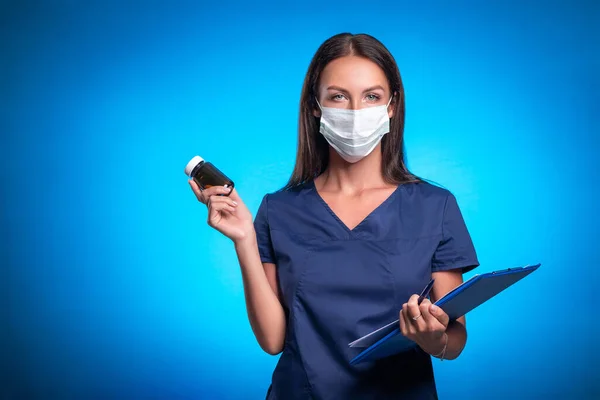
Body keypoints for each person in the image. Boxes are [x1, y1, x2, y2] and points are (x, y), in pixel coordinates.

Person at [189, 33, 479, 400]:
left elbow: (454, 340)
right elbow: (273, 339)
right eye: (338, 96)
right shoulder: (278, 210)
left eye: (371, 96)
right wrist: (245, 238)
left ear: (392, 105)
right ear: (315, 105)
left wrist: (434, 338)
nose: (356, 112)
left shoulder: (435, 206)